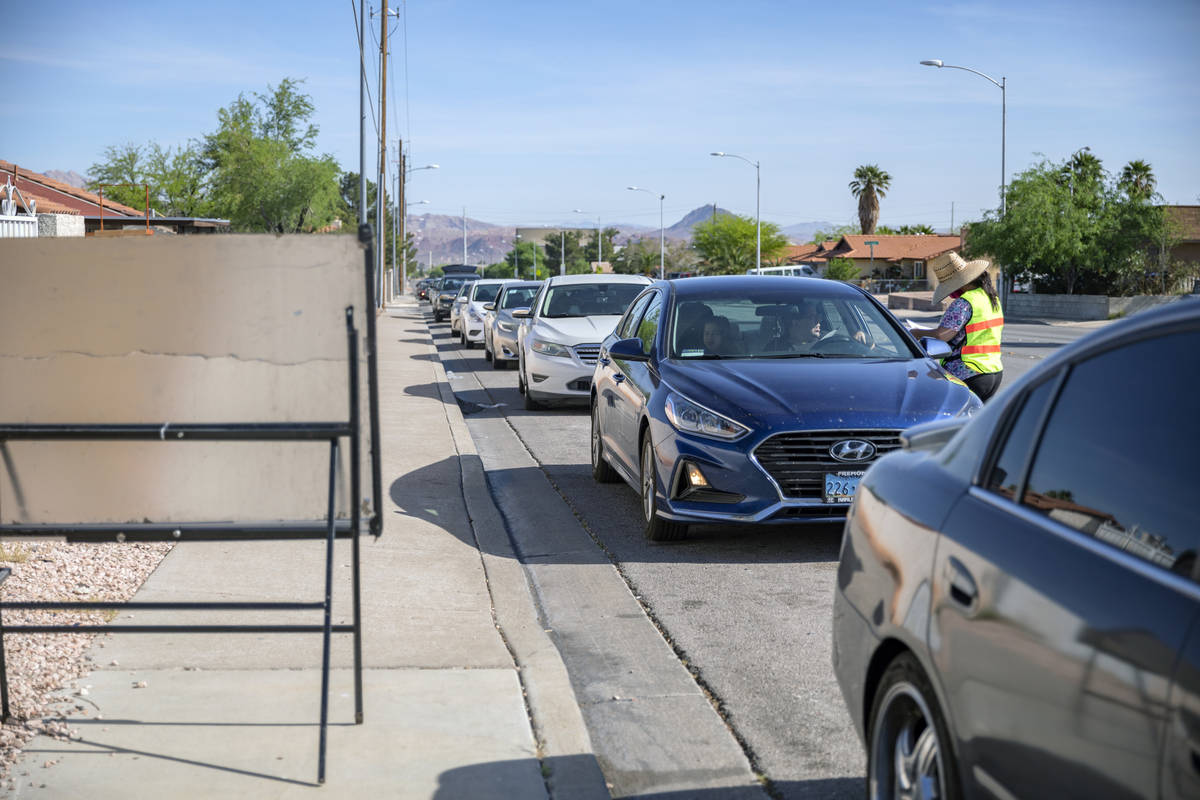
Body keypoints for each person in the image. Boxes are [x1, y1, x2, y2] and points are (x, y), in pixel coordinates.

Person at [909, 252, 1004, 401]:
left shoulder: (965, 302)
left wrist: (917, 332)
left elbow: (943, 335)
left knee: (954, 419)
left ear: (962, 282)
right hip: (994, 371)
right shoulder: (991, 298)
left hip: (968, 372)